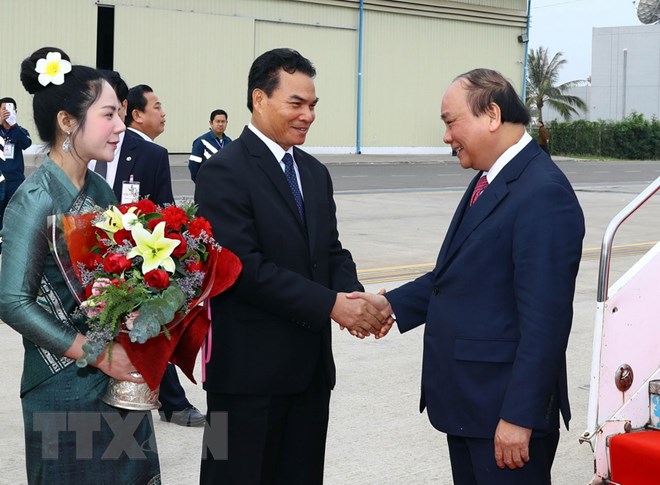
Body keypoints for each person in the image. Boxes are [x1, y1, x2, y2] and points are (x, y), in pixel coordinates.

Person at [354, 69, 585, 484]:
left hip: (504, 417)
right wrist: (391, 305)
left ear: (491, 114)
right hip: (472, 408)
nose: (446, 136)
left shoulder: (542, 192)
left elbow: (545, 322)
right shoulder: (490, 178)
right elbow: (458, 275)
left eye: (449, 121)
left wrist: (518, 416)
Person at [195, 48, 391, 484]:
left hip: (309, 376)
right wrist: (331, 306)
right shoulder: (221, 171)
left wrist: (356, 297)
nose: (308, 116)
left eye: (313, 105)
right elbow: (243, 268)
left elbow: (331, 251)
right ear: (259, 99)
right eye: (296, 104)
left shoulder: (315, 172)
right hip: (243, 381)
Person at [0, 47, 160, 483]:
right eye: (108, 114)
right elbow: (12, 301)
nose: (120, 126)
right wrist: (97, 353)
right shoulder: (35, 199)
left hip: (116, 375)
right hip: (63, 385)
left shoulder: (101, 192)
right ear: (68, 122)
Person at [111, 82, 205, 427]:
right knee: (151, 328)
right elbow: (163, 208)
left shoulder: (148, 151)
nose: (163, 113)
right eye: (156, 107)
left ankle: (169, 401)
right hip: (129, 255)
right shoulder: (142, 151)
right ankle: (172, 402)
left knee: (145, 328)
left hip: (138, 255)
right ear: (135, 113)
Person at [0, 96, 32, 254]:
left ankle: (14, 248)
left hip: (15, 181)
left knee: (15, 215)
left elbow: (26, 144)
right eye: (4, 109)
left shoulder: (20, 131)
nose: (7, 113)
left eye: (11, 109)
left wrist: (14, 126)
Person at [188, 109, 232, 182]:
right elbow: (193, 165)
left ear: (226, 123)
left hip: (225, 186)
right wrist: (200, 183)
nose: (220, 124)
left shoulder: (229, 142)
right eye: (218, 121)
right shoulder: (201, 141)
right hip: (207, 186)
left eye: (223, 121)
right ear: (211, 123)